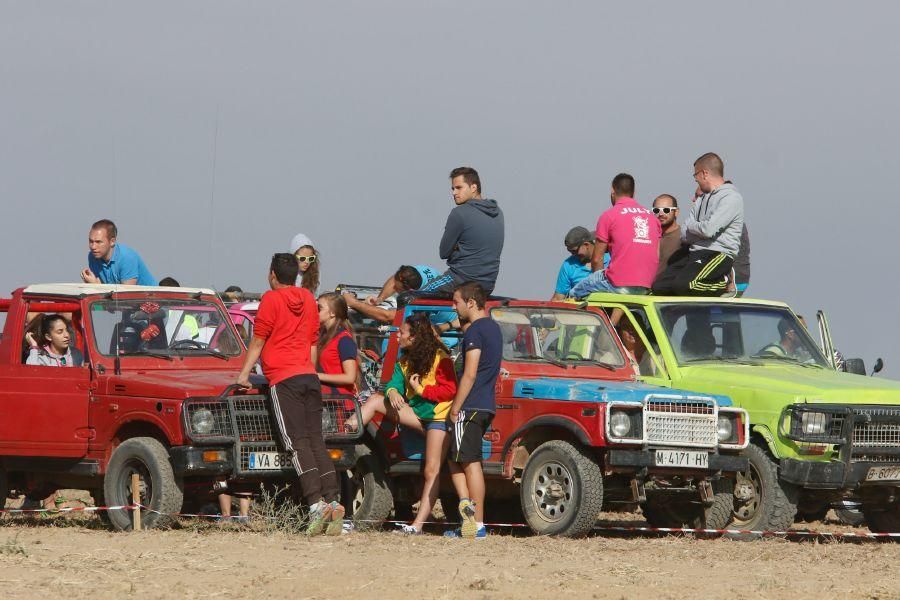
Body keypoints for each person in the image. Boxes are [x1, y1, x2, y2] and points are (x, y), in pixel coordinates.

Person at [235, 253, 344, 536]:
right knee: (316, 440)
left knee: (296, 444)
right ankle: (332, 500)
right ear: (295, 274)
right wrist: (309, 368)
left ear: (272, 274)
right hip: (309, 376)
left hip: (284, 378)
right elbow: (311, 340)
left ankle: (315, 504)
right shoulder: (309, 298)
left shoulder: (270, 299)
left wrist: (244, 374)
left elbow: (259, 338)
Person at [444, 282, 501, 540]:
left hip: (471, 405)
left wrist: (455, 408)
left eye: (456, 302)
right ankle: (469, 518)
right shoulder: (494, 328)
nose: (453, 307)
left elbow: (469, 373)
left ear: (471, 302)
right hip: (486, 403)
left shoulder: (476, 331)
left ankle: (476, 523)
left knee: (469, 462)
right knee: (458, 458)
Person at [652, 153, 744, 296]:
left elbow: (708, 230)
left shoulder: (731, 197)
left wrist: (694, 228)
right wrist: (698, 230)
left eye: (696, 178)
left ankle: (723, 283)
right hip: (695, 252)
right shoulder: (702, 198)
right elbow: (684, 233)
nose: (697, 182)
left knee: (684, 286)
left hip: (717, 254)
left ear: (705, 174)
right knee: (659, 287)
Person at [569, 173, 661, 297]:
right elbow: (656, 254)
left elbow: (597, 259)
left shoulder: (609, 216)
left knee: (574, 293)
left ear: (613, 191)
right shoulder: (652, 218)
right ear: (634, 193)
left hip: (618, 284)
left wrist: (599, 292)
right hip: (646, 285)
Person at [420, 167, 504, 295]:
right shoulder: (498, 212)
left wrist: (458, 248)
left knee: (413, 298)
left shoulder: (459, 213)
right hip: (487, 285)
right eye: (453, 189)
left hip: (460, 280)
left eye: (459, 188)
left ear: (473, 187)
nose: (454, 193)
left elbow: (443, 252)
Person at [81, 219, 157, 286]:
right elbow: (101, 290)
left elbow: (126, 296)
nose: (93, 247)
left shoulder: (127, 257)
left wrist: (96, 286)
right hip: (119, 300)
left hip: (153, 299)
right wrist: (91, 284)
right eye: (91, 241)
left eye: (98, 242)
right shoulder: (92, 256)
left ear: (112, 242)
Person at [316, 292, 360, 396]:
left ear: (333, 313)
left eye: (319, 309)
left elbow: (350, 377)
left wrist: (316, 375)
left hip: (339, 404)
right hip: (324, 398)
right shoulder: (321, 335)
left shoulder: (344, 340)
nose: (315, 312)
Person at [551, 226, 610, 301]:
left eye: (575, 251)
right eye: (570, 252)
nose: (573, 255)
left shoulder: (611, 258)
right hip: (581, 311)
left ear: (586, 245)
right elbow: (558, 297)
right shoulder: (568, 265)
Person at [652, 195, 681, 277]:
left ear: (676, 212)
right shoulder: (648, 237)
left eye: (666, 210)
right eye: (656, 210)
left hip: (671, 288)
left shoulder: (685, 237)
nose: (661, 214)